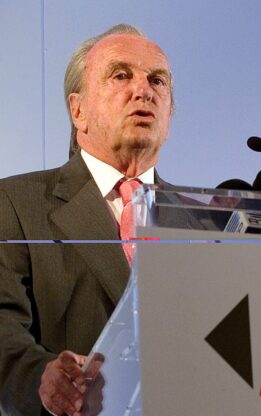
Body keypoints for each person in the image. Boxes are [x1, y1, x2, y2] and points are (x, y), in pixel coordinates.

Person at [0, 24, 174, 415]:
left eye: (157, 80)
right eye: (121, 75)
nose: (144, 90)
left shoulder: (203, 222)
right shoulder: (14, 204)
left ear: (170, 114)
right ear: (78, 110)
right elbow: (2, 327)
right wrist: (43, 379)